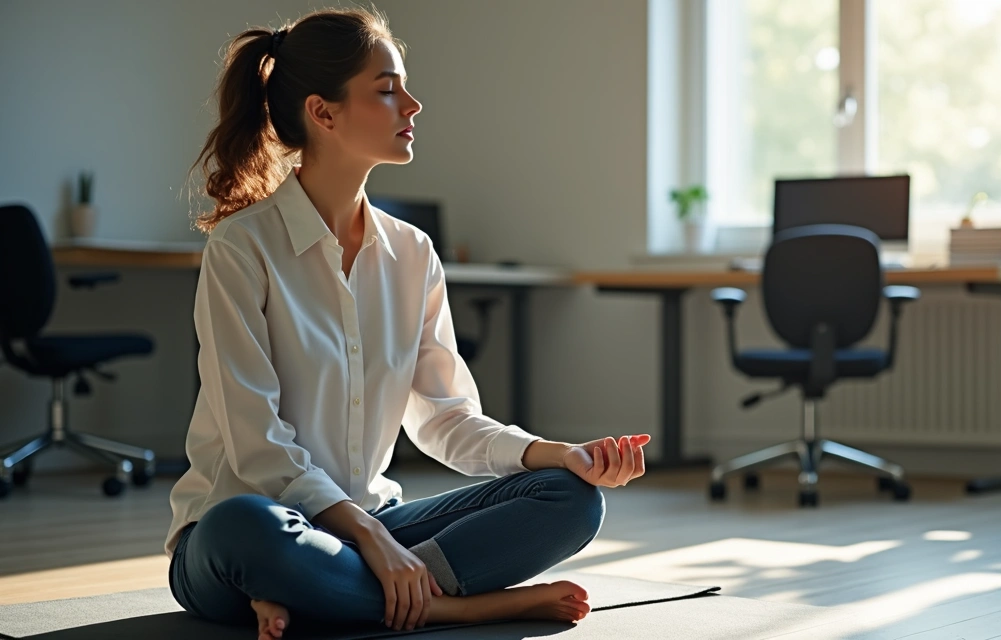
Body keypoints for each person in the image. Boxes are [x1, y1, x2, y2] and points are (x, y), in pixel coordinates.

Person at [164, 8, 649, 640]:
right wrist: (367, 536)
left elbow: (446, 420)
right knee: (245, 529)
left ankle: (326, 595)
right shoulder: (241, 247)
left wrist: (557, 454)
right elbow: (257, 444)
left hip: (371, 529)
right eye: (388, 90)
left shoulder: (413, 253)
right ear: (324, 112)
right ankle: (453, 606)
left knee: (571, 499)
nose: (413, 105)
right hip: (250, 533)